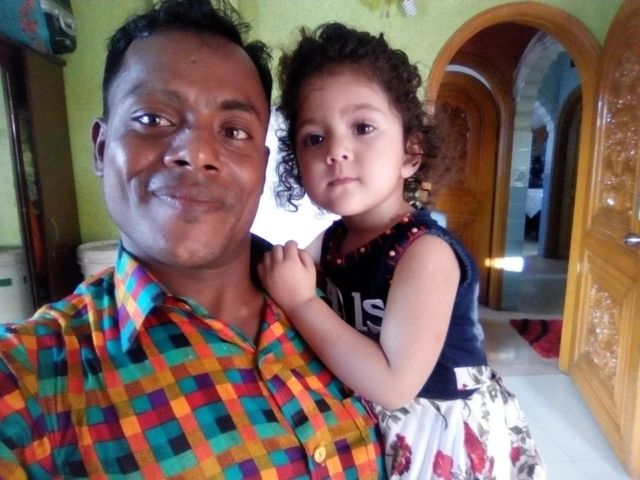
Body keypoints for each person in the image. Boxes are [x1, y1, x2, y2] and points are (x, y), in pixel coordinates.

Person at [0, 3, 384, 478]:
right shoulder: (33, 376)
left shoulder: (335, 296)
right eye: (153, 119)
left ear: (262, 167)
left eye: (234, 131)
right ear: (101, 147)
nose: (197, 153)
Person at [258, 23, 545, 479]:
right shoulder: (333, 238)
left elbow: (394, 386)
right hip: (374, 423)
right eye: (314, 137)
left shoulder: (425, 253)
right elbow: (275, 271)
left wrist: (301, 303)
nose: (337, 150)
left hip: (441, 436)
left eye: (362, 127)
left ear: (411, 153)